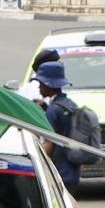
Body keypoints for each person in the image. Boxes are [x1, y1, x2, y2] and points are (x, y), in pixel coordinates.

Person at [34, 61, 85, 193]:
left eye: (41, 84)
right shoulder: (70, 105)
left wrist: (37, 162)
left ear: (48, 85)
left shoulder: (53, 110)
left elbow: (49, 142)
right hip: (73, 170)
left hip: (60, 172)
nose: (39, 88)